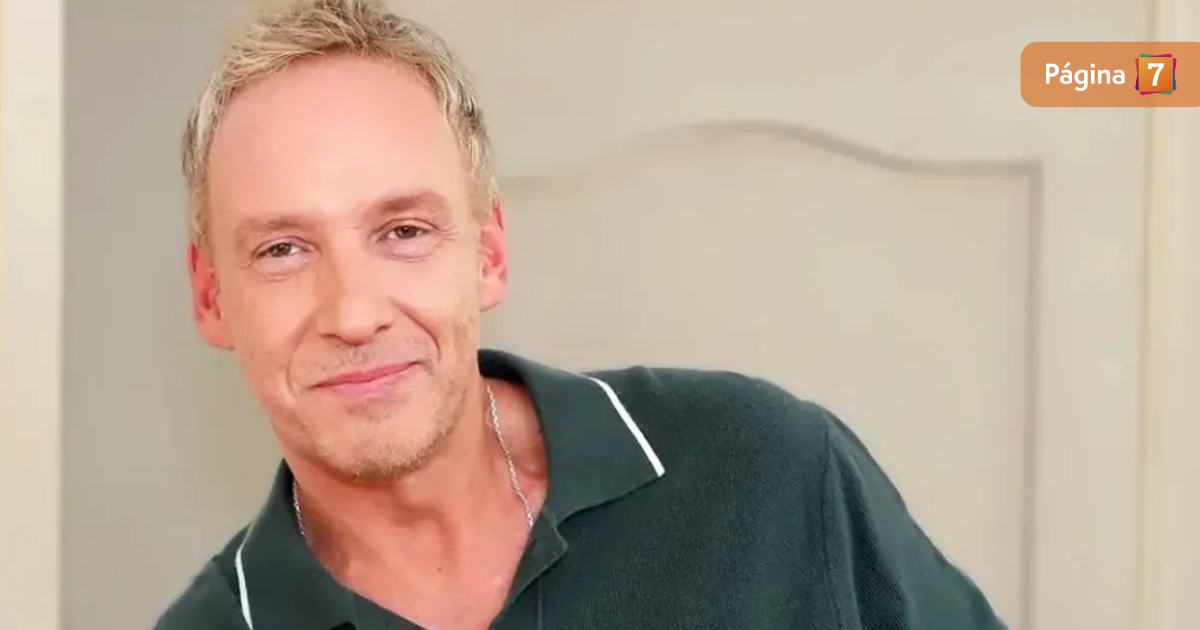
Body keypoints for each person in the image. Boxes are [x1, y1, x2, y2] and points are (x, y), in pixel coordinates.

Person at [155, 1, 1007, 628]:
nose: (352, 312)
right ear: (211, 297)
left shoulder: (770, 470)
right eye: (283, 250)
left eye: (404, 231)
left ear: (489, 255)